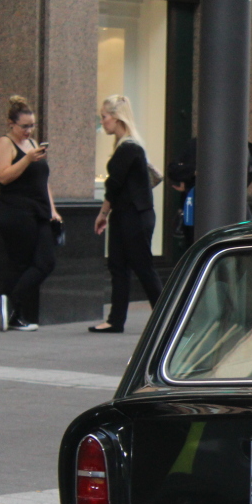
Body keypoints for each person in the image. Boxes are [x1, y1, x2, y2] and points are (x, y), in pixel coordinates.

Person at [91, 94, 162, 333]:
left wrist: (102, 213)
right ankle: (115, 320)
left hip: (134, 215)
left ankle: (168, 319)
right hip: (127, 215)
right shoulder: (129, 146)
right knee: (118, 266)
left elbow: (114, 185)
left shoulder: (128, 148)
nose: (103, 122)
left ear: (117, 117)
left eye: (104, 117)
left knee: (142, 267)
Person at [0, 95, 62, 331]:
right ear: (11, 124)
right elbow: (3, 176)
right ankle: (15, 314)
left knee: (45, 262)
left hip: (39, 211)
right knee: (20, 263)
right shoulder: (4, 143)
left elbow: (44, 181)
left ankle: (9, 301)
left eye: (32, 126)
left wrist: (53, 210)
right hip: (15, 211)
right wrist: (27, 160)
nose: (29, 131)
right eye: (24, 126)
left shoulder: (32, 145)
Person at [167, 137, 252, 244]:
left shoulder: (241, 146)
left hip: (226, 208)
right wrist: (194, 172)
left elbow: (247, 176)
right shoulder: (196, 144)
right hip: (198, 209)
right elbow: (174, 170)